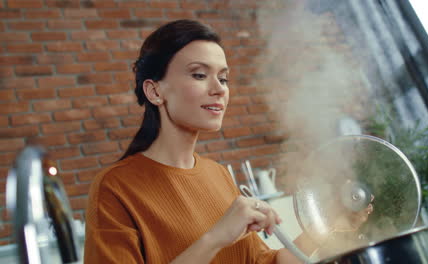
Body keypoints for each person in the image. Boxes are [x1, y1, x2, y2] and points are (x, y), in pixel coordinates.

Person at [83, 19, 304, 263]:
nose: (219, 89)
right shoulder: (114, 188)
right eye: (199, 74)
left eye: (223, 78)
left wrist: (335, 223)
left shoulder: (217, 174)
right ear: (155, 92)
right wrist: (216, 237)